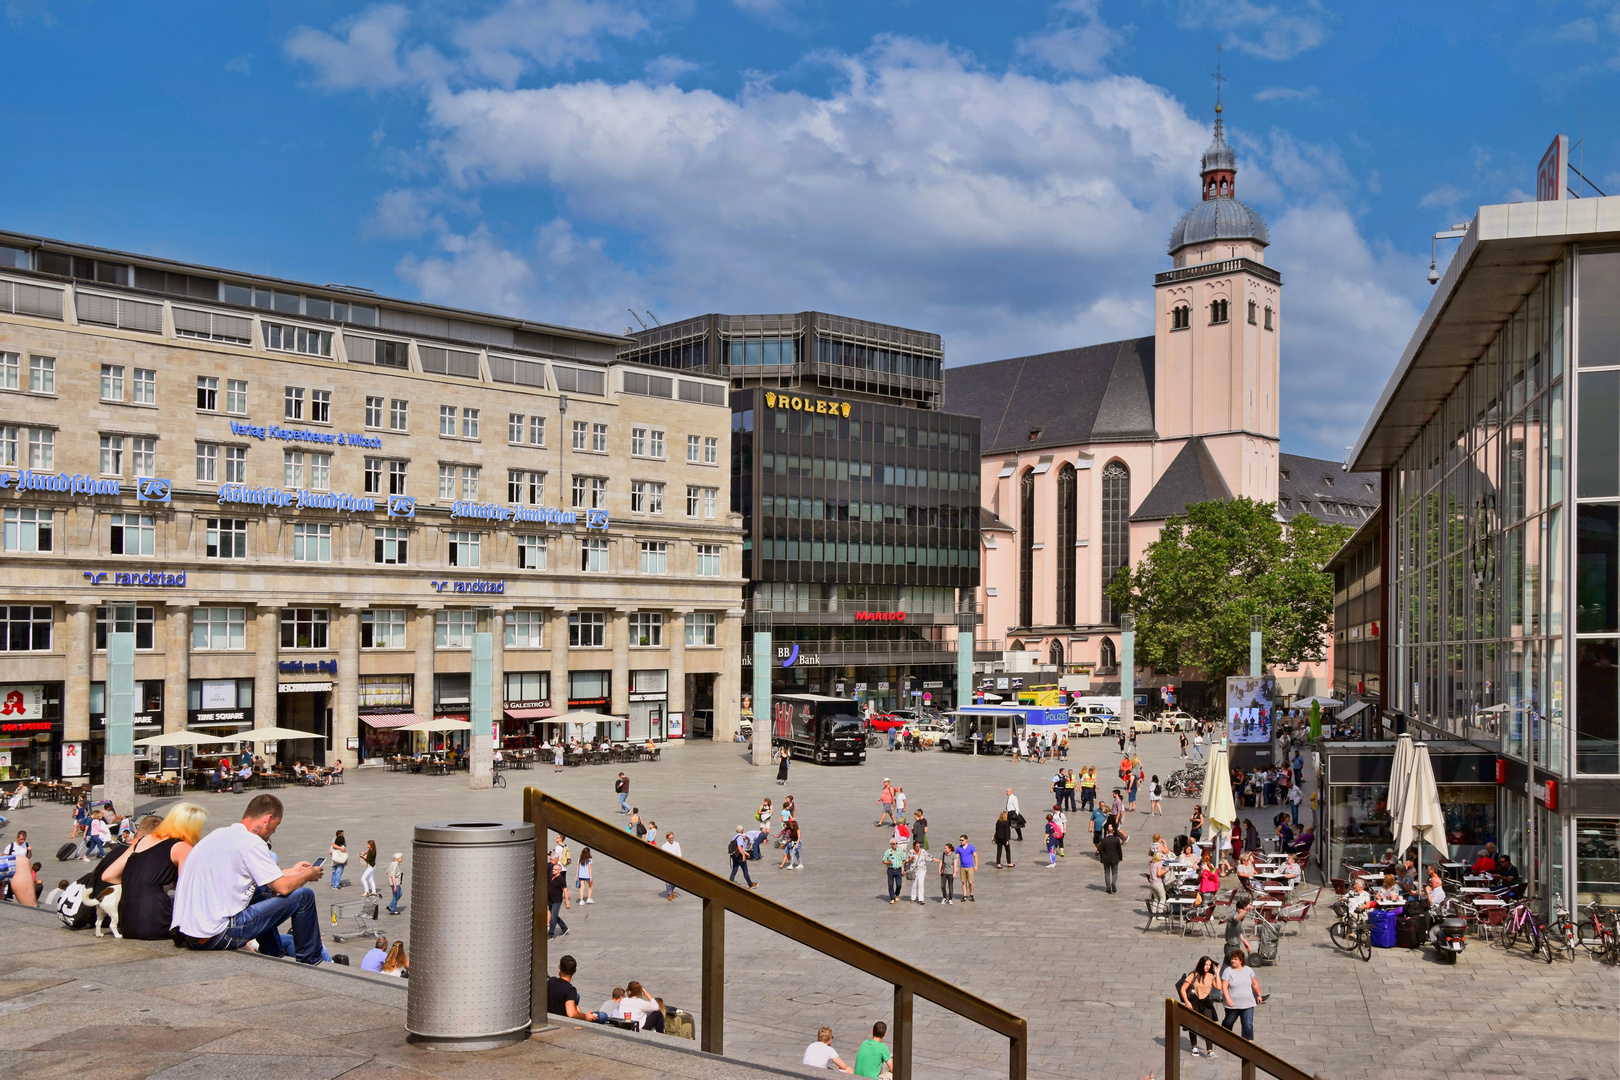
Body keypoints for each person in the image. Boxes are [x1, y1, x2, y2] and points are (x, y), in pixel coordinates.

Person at [171, 794, 327, 965]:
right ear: (268, 819)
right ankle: (311, 962)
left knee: (261, 890)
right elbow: (284, 888)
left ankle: (274, 954)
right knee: (304, 896)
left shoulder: (218, 835)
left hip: (188, 934)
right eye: (277, 824)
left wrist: (292, 872)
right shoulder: (251, 841)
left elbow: (263, 879)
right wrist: (307, 875)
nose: (274, 831)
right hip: (215, 934)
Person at [101, 803, 205, 940]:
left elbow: (107, 875)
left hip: (127, 923)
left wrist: (137, 883)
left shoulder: (143, 840)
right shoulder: (182, 847)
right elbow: (187, 890)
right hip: (155, 921)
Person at [1178, 955, 1221, 1059]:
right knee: (1192, 1025)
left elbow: (1219, 987)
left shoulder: (1211, 976)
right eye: (1206, 964)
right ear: (1201, 964)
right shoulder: (1193, 975)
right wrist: (1187, 1002)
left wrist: (1217, 973)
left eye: (1209, 965)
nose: (1207, 967)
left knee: (1208, 1025)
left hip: (1206, 1002)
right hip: (1194, 1002)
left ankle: (1209, 1050)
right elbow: (1183, 989)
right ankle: (1194, 1046)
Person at [1219, 949, 1263, 1041]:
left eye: (1235, 959)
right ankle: (1224, 1037)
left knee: (1248, 1024)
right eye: (1232, 959)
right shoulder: (1228, 971)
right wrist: (1228, 999)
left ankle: (1248, 1042)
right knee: (1228, 1022)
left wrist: (1259, 995)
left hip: (1248, 1003)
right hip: (1233, 1004)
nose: (1232, 961)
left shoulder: (1248, 970)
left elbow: (1254, 983)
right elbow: (1224, 986)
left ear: (1241, 960)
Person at [546, 955, 600, 1021]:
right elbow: (571, 1013)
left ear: (559, 970)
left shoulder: (551, 980)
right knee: (603, 1016)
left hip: (548, 1015)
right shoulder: (570, 990)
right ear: (575, 971)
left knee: (576, 997)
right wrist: (585, 1016)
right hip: (561, 1021)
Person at [547, 855, 571, 938]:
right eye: (553, 869)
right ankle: (564, 928)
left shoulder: (561, 879)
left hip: (557, 901)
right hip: (550, 900)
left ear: (559, 871)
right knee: (555, 916)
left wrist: (566, 902)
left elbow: (565, 890)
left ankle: (550, 935)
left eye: (555, 870)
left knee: (553, 918)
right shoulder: (551, 878)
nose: (553, 871)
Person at [1097, 822, 1124, 892]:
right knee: (1115, 872)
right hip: (1115, 858)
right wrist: (1120, 858)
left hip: (1106, 859)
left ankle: (1108, 888)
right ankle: (1113, 883)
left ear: (1107, 832)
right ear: (1113, 832)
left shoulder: (1103, 840)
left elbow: (1101, 850)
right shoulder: (1116, 840)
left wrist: (1102, 858)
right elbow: (1119, 850)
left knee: (1107, 873)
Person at [660, 832, 682, 900]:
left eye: (672, 838)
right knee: (668, 881)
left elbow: (679, 854)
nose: (671, 839)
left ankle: (672, 890)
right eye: (670, 838)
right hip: (668, 865)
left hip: (676, 864)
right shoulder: (664, 846)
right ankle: (669, 894)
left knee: (677, 881)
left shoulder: (676, 844)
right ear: (667, 838)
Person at [883, 838, 905, 904]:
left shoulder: (900, 851)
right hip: (891, 870)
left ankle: (897, 893)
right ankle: (892, 898)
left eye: (896, 843)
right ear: (891, 844)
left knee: (899, 884)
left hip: (898, 870)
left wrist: (904, 869)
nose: (895, 845)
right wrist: (888, 862)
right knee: (890, 884)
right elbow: (884, 861)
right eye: (893, 844)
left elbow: (903, 860)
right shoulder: (887, 852)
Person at [957, 835, 977, 901]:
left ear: (966, 840)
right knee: (963, 882)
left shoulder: (971, 847)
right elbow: (956, 858)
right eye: (960, 840)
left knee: (970, 882)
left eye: (962, 840)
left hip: (970, 866)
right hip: (962, 867)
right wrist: (956, 867)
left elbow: (975, 856)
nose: (961, 842)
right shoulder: (958, 848)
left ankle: (971, 894)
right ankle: (964, 895)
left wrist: (976, 865)